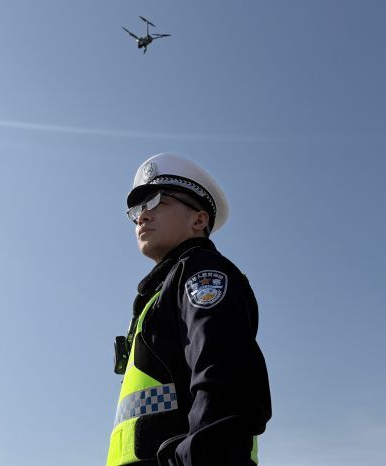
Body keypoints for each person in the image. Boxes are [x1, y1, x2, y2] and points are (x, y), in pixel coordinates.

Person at [107, 153, 272, 466]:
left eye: (157, 201)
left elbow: (226, 381)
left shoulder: (201, 272)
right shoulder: (161, 294)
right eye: (138, 209)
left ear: (198, 220)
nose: (142, 216)